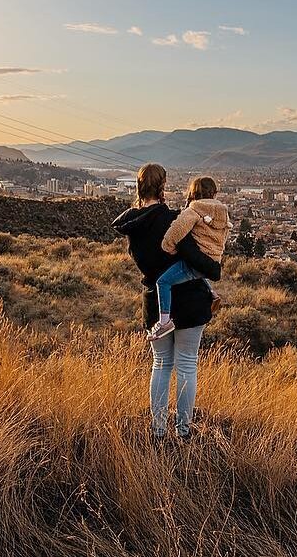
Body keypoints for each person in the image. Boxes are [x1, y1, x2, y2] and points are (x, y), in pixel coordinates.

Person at [111, 163, 221, 439]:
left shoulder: (132, 226)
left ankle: (158, 431)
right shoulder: (171, 220)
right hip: (191, 301)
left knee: (160, 365)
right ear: (162, 187)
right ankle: (183, 431)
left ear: (138, 186)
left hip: (155, 302)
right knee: (186, 365)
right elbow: (192, 256)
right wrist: (214, 271)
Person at [149, 175, 229, 340]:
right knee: (195, 272)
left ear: (193, 192)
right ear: (214, 193)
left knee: (163, 282)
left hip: (194, 264)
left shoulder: (194, 209)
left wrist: (168, 247)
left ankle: (164, 322)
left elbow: (176, 229)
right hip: (212, 260)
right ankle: (212, 293)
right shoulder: (223, 213)